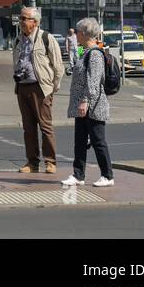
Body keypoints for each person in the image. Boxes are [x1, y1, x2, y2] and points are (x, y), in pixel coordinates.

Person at [61, 17, 114, 187]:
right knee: (80, 142)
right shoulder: (84, 52)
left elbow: (93, 81)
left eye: (77, 32)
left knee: (98, 141)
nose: (75, 35)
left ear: (84, 34)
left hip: (94, 106)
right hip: (83, 106)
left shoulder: (95, 54)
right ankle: (78, 175)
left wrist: (85, 101)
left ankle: (107, 176)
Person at [12, 7, 63, 173]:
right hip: (22, 87)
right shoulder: (18, 40)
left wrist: (51, 88)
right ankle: (32, 163)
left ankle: (50, 162)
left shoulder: (46, 38)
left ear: (35, 22)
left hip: (41, 87)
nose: (21, 21)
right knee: (28, 128)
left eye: (25, 18)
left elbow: (58, 66)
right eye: (21, 18)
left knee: (45, 126)